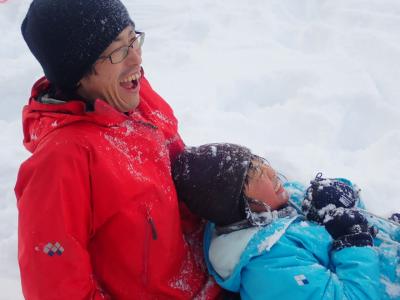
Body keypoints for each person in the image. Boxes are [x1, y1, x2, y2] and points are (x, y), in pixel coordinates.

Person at [14, 0, 222, 299]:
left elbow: (183, 174)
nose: (136, 59)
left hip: (214, 268)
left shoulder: (135, 98)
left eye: (132, 39)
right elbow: (55, 287)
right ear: (78, 74)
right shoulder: (62, 162)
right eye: (118, 51)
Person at [172, 143, 400, 300]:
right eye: (253, 174)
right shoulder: (269, 269)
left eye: (257, 161)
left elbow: (349, 215)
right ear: (239, 205)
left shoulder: (276, 200)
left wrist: (339, 195)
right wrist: (354, 242)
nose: (271, 172)